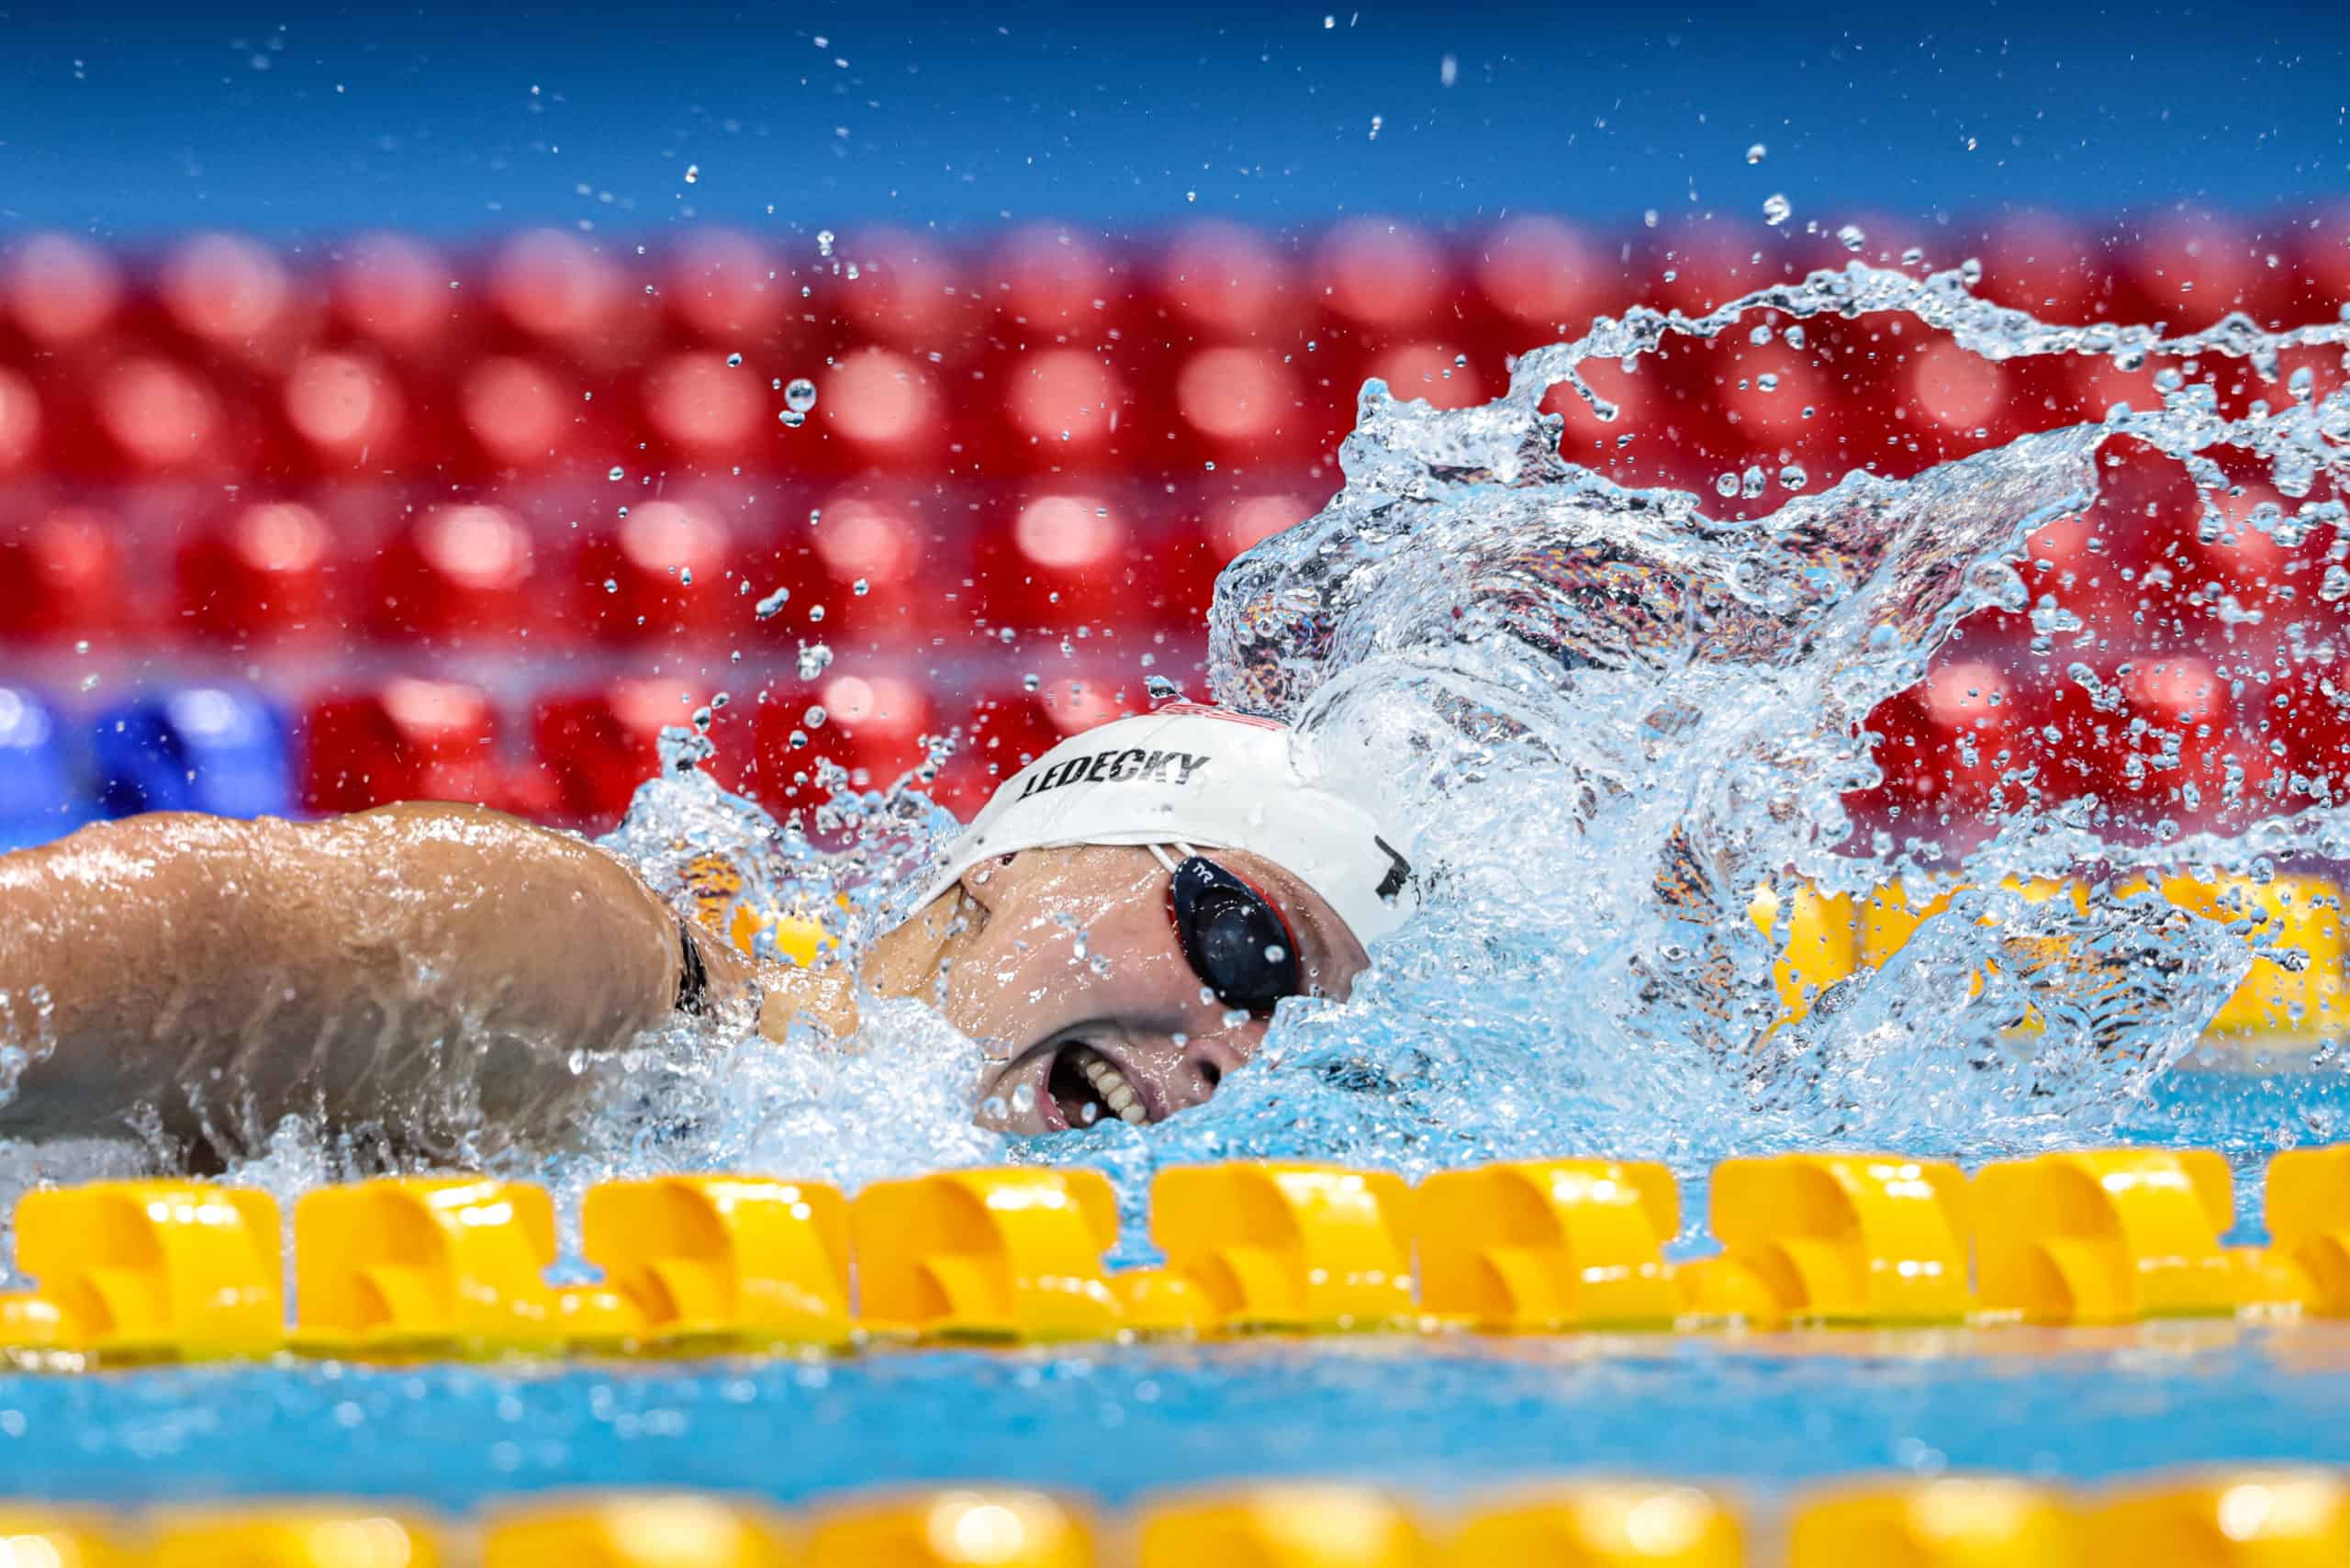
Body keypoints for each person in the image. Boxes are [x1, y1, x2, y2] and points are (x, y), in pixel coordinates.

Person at [0, 703, 1414, 1162]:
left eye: (1306, 1028)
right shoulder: (592, 970)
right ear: (1016, 862)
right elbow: (182, 934)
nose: (1239, 1046)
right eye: (1246, 946)